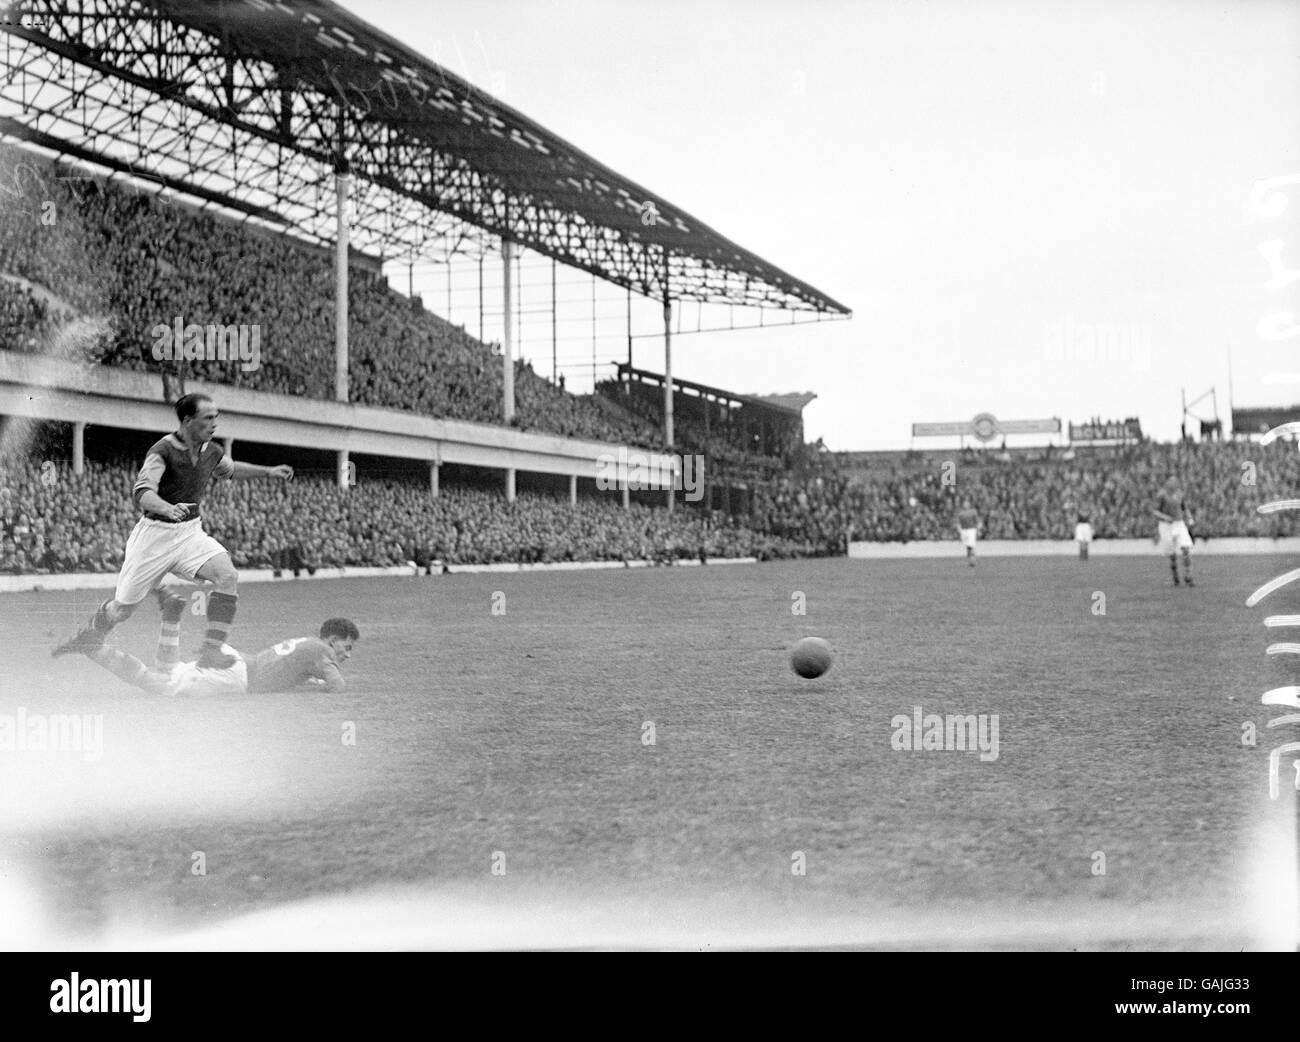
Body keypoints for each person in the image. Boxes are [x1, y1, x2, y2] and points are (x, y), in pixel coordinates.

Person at [51, 393, 293, 667]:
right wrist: (166, 507)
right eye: (208, 418)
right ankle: (91, 635)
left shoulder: (211, 451)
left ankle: (211, 651)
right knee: (122, 610)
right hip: (154, 537)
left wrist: (268, 471)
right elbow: (142, 492)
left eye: (216, 418)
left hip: (189, 532)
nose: (214, 424)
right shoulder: (162, 450)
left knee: (227, 575)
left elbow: (231, 469)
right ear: (188, 421)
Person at [66, 588, 358, 696]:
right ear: (332, 640)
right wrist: (327, 683)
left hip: (239, 664)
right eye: (346, 647)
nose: (347, 654)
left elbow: (297, 678)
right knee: (162, 685)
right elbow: (338, 686)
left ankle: (94, 646)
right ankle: (94, 647)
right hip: (239, 676)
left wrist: (310, 685)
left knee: (169, 671)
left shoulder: (309, 645)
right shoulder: (321, 652)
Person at [1153, 475, 1194, 586]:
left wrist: (1189, 517)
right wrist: (1165, 517)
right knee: (1172, 553)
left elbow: (1184, 508)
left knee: (1186, 548)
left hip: (1179, 523)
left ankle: (1188, 575)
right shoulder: (1162, 495)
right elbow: (1155, 512)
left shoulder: (1179, 494)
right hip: (1166, 526)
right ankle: (1175, 576)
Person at [956, 498, 979, 567]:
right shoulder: (961, 513)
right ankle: (971, 561)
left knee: (971, 546)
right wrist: (959, 531)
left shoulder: (973, 512)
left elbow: (976, 521)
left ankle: (973, 561)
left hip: (971, 530)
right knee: (968, 546)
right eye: (964, 504)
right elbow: (958, 523)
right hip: (964, 531)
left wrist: (978, 529)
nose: (965, 505)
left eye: (966, 504)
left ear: (969, 505)